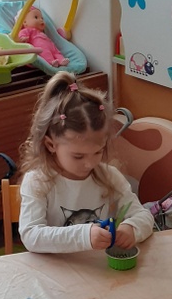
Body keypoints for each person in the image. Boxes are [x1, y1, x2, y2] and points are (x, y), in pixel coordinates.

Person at [18, 71, 154, 253]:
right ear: (51, 145)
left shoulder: (110, 177)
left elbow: (143, 215)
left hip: (98, 266)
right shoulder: (38, 182)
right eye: (78, 156)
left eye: (98, 152)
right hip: (56, 267)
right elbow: (31, 236)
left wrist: (132, 228)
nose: (90, 164)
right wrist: (83, 235)